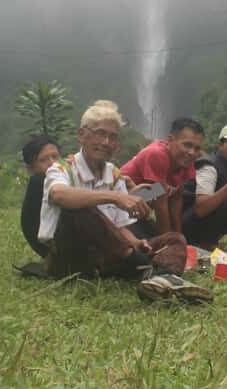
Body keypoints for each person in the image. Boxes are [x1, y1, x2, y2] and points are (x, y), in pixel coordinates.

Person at [39, 100, 190, 280]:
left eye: (113, 137)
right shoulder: (61, 168)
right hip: (72, 256)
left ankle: (164, 278)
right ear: (81, 135)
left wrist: (136, 243)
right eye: (99, 134)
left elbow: (119, 226)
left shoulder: (114, 174)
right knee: (81, 207)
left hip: (108, 253)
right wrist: (115, 197)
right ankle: (141, 268)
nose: (106, 142)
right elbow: (58, 194)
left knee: (174, 240)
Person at [120, 117, 204, 236]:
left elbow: (176, 200)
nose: (192, 152)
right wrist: (168, 240)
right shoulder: (156, 154)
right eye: (187, 145)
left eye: (197, 148)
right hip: (120, 206)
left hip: (142, 207)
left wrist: (178, 235)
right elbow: (160, 202)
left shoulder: (185, 161)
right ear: (170, 140)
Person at [182, 123, 227, 250]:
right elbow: (201, 208)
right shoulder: (209, 167)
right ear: (220, 145)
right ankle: (203, 243)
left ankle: (215, 240)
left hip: (199, 219)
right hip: (186, 222)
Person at [20, 135, 62, 258]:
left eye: (55, 157)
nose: (52, 163)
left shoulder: (62, 177)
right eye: (43, 160)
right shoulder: (39, 181)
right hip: (54, 249)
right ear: (30, 169)